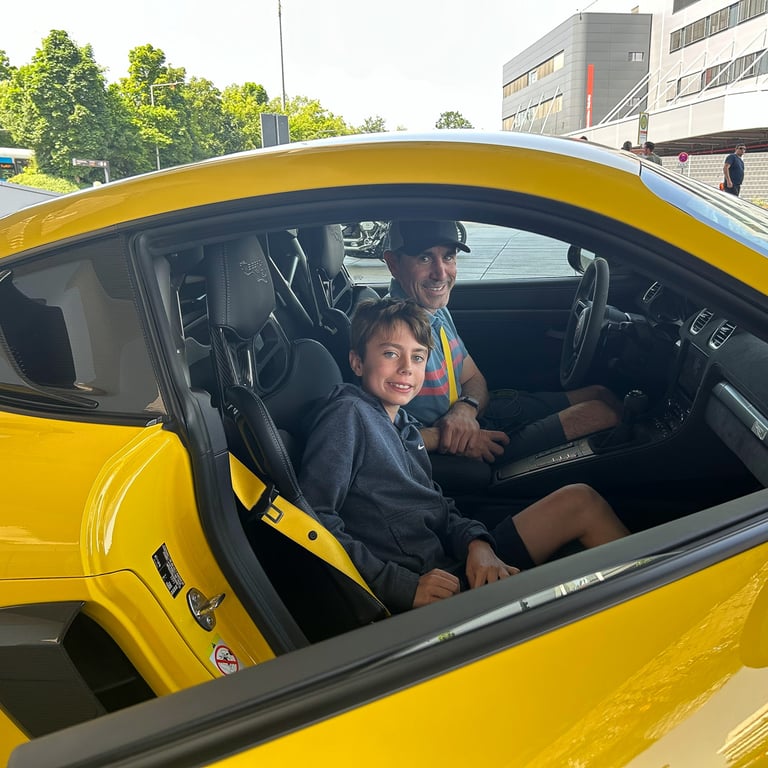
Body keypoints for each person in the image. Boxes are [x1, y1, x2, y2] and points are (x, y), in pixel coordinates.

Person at [299, 297, 629, 613]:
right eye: (390, 353)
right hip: (430, 591)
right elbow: (313, 519)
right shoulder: (347, 416)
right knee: (581, 505)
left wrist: (476, 544)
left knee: (580, 500)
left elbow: (435, 503)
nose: (406, 369)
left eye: (417, 357)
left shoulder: (402, 422)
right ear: (357, 361)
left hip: (453, 563)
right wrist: (401, 586)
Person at [381, 220, 621, 465]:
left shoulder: (434, 311)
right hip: (455, 453)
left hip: (481, 414)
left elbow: (473, 378)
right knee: (601, 414)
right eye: (424, 258)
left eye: (449, 257)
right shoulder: (389, 335)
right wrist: (447, 434)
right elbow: (379, 439)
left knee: (600, 394)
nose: (441, 273)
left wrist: (465, 409)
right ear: (393, 264)